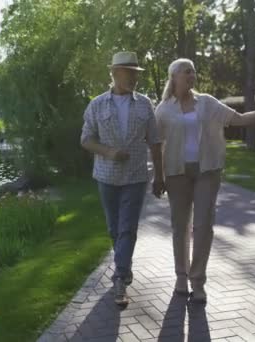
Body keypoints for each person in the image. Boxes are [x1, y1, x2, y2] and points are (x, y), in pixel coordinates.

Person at [155, 58, 255, 304]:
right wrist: (158, 176)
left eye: (194, 72)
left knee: (203, 227)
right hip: (176, 174)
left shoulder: (207, 103)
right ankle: (180, 276)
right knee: (179, 228)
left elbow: (239, 118)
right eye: (187, 72)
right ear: (174, 76)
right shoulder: (163, 109)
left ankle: (197, 282)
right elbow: (155, 144)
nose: (192, 75)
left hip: (207, 171)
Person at [81, 51, 165, 306]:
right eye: (128, 73)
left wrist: (159, 176)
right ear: (115, 74)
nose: (133, 78)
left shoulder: (144, 104)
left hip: (136, 176)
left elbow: (155, 141)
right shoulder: (97, 105)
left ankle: (120, 280)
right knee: (114, 228)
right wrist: (109, 152)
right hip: (106, 176)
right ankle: (125, 267)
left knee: (127, 228)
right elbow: (86, 140)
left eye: (136, 73)